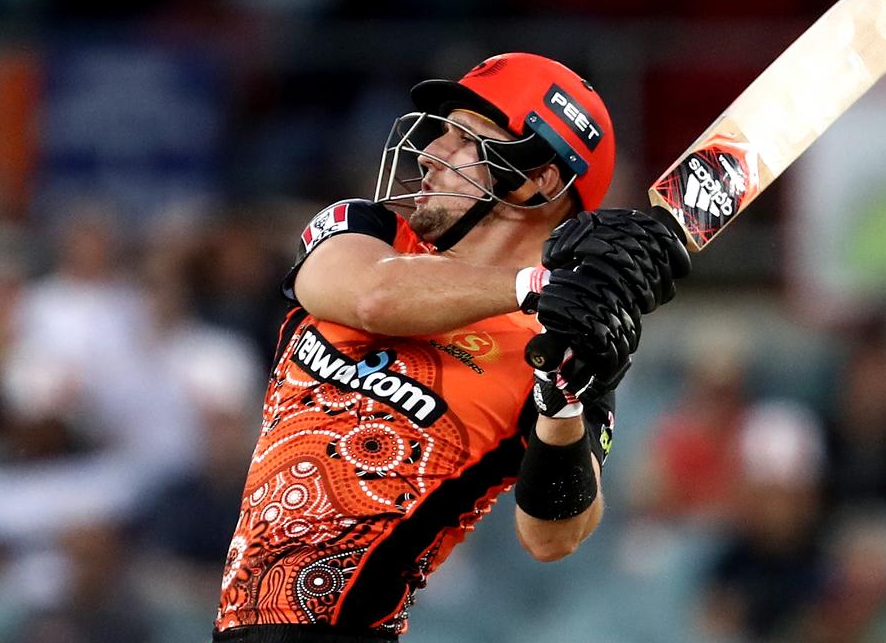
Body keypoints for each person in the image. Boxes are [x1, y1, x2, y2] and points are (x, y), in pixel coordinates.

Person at [213, 52, 690, 642]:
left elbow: (554, 534)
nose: (431, 154)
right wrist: (538, 286)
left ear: (538, 178)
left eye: (464, 138)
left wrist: (563, 402)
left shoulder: (557, 344)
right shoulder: (371, 231)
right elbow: (370, 297)